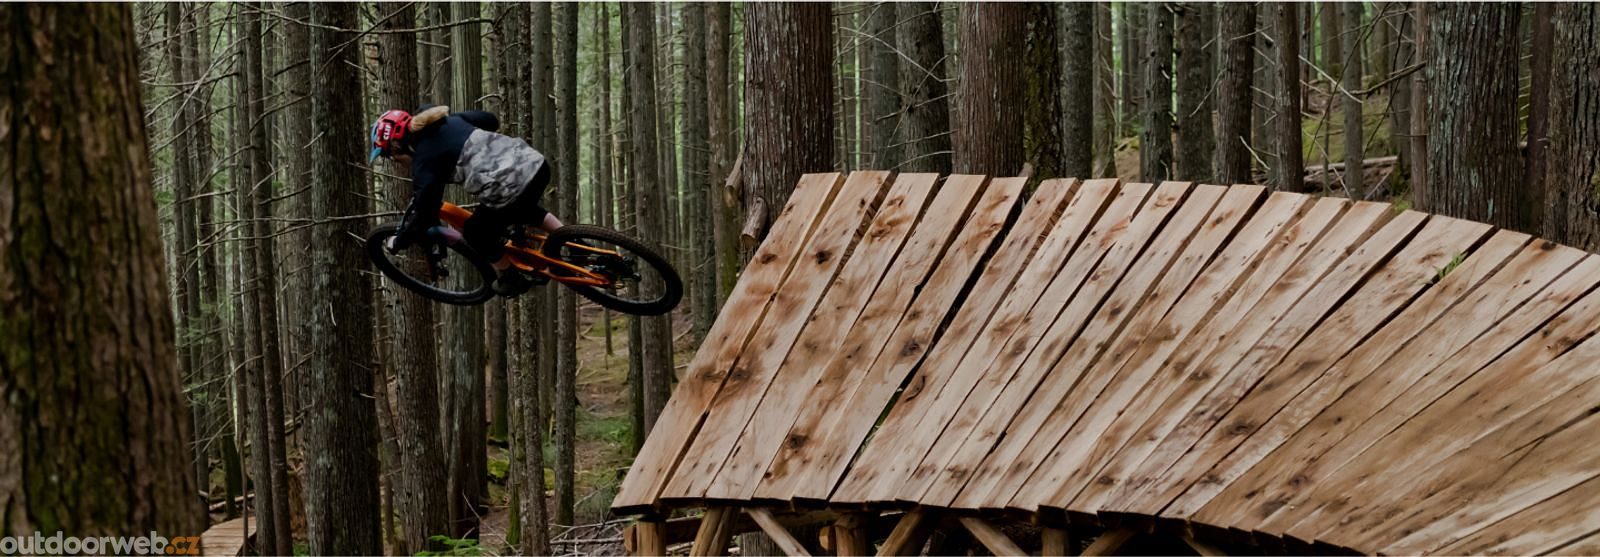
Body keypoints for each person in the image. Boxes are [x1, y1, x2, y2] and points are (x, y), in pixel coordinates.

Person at [368, 105, 562, 296]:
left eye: (389, 155)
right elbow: (490, 120)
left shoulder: (425, 160)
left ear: (397, 145)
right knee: (521, 208)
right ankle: (568, 237)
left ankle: (510, 278)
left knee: (475, 232)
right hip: (535, 164)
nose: (395, 160)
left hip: (510, 186)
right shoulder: (449, 121)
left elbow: (424, 214)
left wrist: (399, 240)